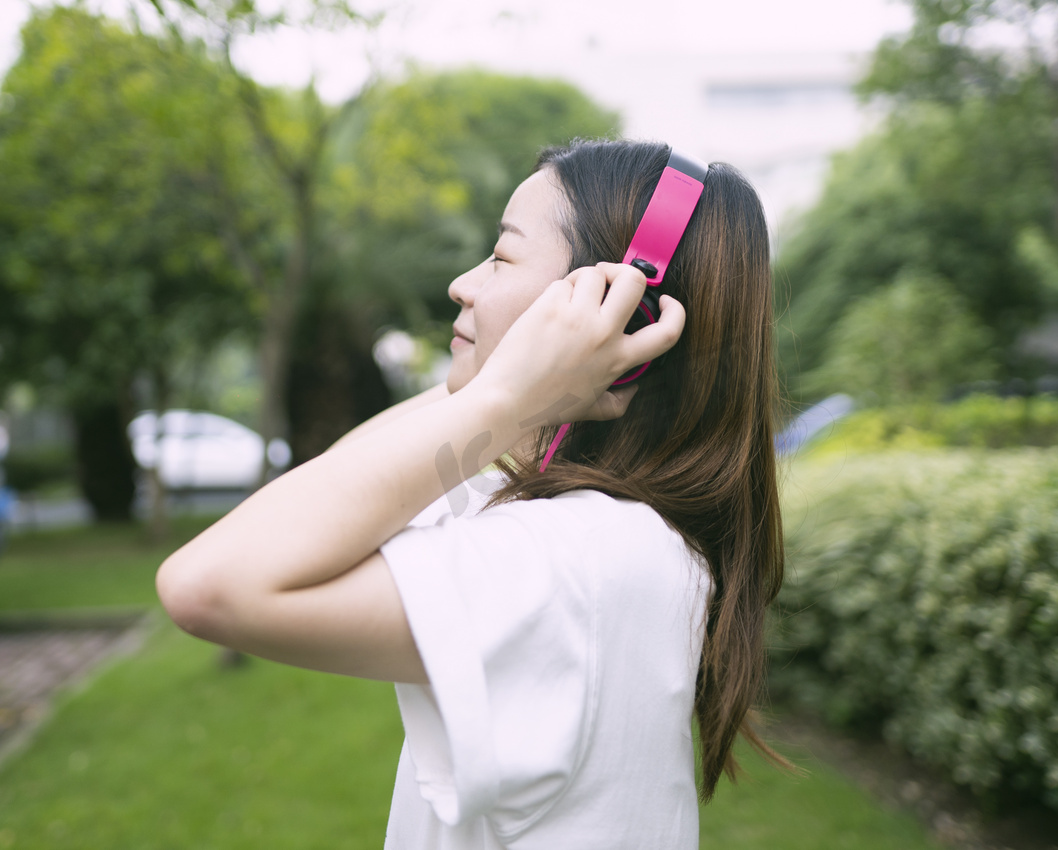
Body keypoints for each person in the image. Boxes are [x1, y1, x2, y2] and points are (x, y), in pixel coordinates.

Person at [156, 138, 787, 849]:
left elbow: (208, 583)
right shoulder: (606, 533)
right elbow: (344, 477)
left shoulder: (582, 560)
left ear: (619, 313)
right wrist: (509, 391)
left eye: (503, 256)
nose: (464, 282)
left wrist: (508, 396)